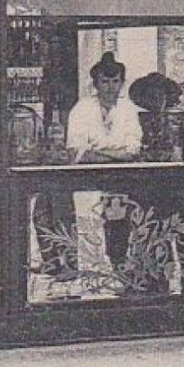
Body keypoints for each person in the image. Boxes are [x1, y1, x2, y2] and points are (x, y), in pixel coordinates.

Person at [66, 53, 144, 267]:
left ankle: (119, 264)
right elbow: (77, 151)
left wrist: (98, 150)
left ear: (122, 82)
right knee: (90, 227)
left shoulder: (128, 109)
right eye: (105, 81)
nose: (110, 87)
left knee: (120, 223)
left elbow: (132, 149)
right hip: (87, 179)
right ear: (96, 83)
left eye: (115, 81)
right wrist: (114, 152)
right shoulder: (82, 109)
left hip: (121, 178)